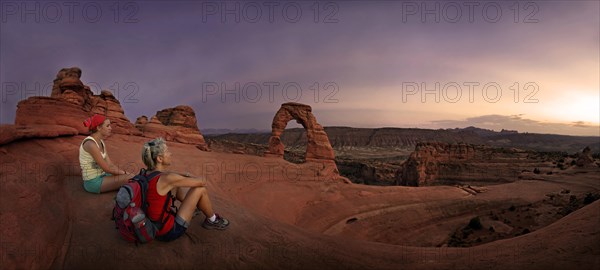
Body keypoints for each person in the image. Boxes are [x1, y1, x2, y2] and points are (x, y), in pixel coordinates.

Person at [142, 137, 229, 242]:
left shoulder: (145, 174)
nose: (170, 154)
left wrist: (183, 175)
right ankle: (212, 220)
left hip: (151, 225)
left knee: (175, 185)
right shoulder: (168, 179)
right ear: (160, 159)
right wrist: (191, 176)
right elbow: (202, 182)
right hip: (168, 231)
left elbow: (168, 176)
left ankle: (193, 209)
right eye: (167, 151)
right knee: (199, 189)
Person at [79, 114, 133, 194]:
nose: (110, 128)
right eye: (107, 126)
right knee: (131, 178)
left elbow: (110, 164)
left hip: (103, 175)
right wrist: (124, 173)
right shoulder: (91, 144)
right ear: (98, 128)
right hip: (93, 182)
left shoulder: (101, 142)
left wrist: (123, 173)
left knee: (132, 177)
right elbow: (107, 168)